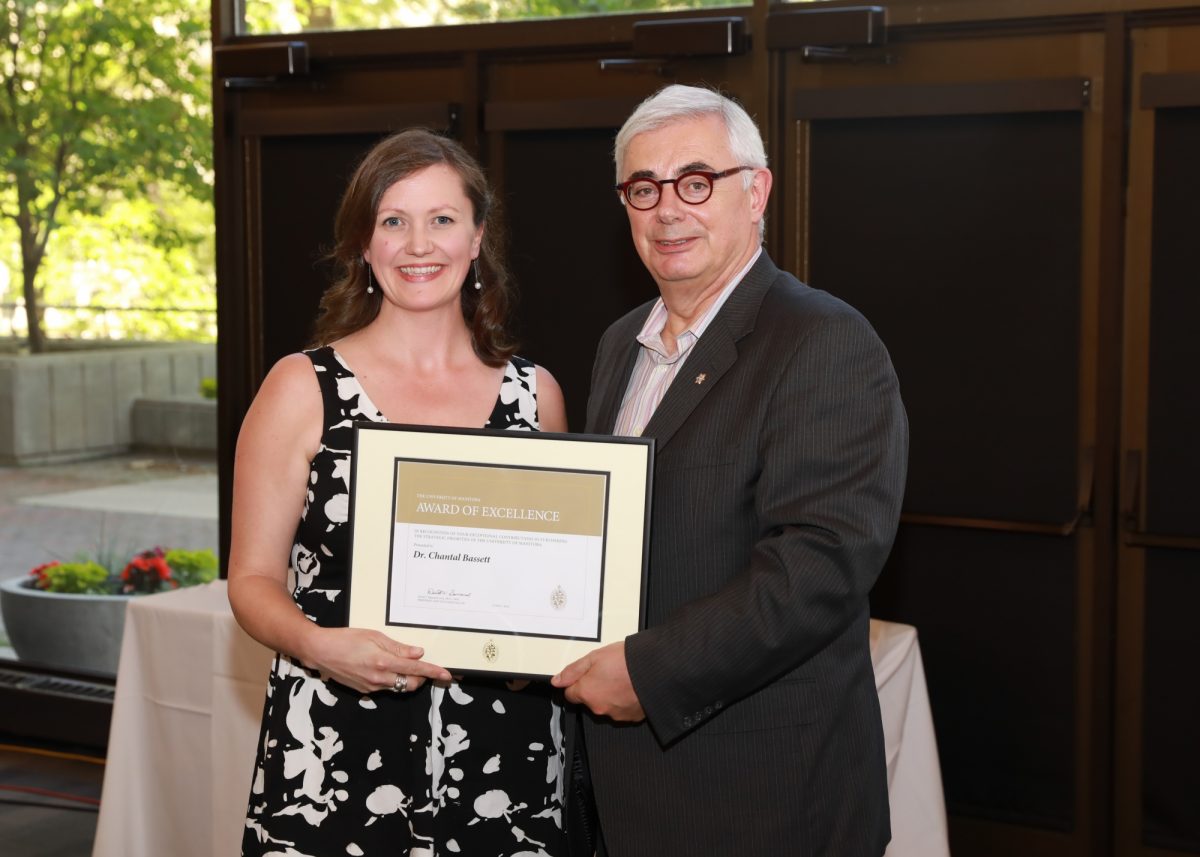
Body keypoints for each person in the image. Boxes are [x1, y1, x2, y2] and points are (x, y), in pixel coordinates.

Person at [551, 85, 909, 855]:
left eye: (696, 180)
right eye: (643, 188)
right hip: (624, 789)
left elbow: (820, 564)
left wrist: (648, 671)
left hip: (762, 796)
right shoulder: (621, 344)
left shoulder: (825, 341)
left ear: (757, 191)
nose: (667, 209)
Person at [229, 128, 573, 857]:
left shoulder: (535, 397)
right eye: (393, 220)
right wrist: (320, 646)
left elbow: (557, 584)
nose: (419, 244)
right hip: (335, 742)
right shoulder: (303, 388)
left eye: (442, 219)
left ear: (478, 237)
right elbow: (251, 581)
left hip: (504, 752)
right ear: (363, 242)